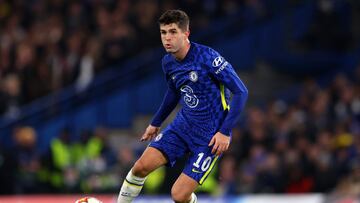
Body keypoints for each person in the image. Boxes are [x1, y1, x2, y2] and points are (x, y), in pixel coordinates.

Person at [117, 9, 248, 203]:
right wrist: (156, 122)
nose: (167, 38)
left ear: (186, 33)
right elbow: (173, 92)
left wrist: (225, 132)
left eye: (172, 32)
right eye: (163, 32)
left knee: (178, 195)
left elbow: (241, 91)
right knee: (140, 167)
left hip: (210, 136)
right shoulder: (168, 62)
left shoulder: (208, 58)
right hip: (183, 126)